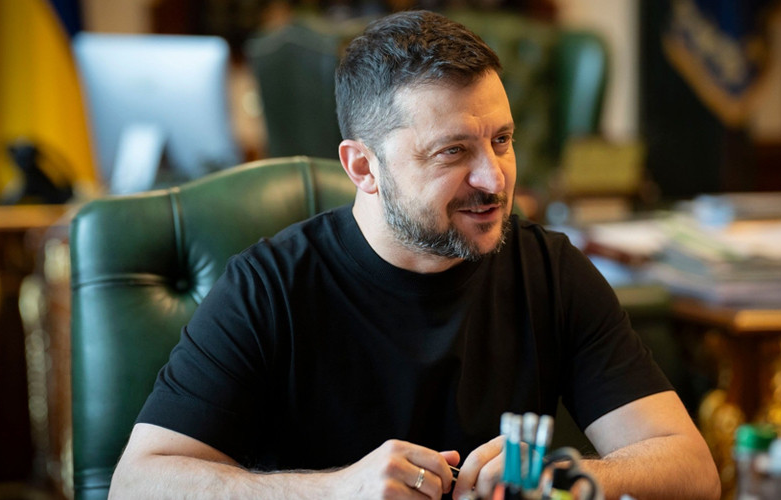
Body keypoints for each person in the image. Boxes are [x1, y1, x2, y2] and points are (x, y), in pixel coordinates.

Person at [109, 10, 720, 500]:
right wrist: (336, 491)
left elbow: (692, 467)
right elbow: (137, 483)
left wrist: (564, 475)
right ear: (362, 167)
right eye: (453, 152)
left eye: (502, 140)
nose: (494, 178)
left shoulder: (551, 271)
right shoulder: (267, 288)